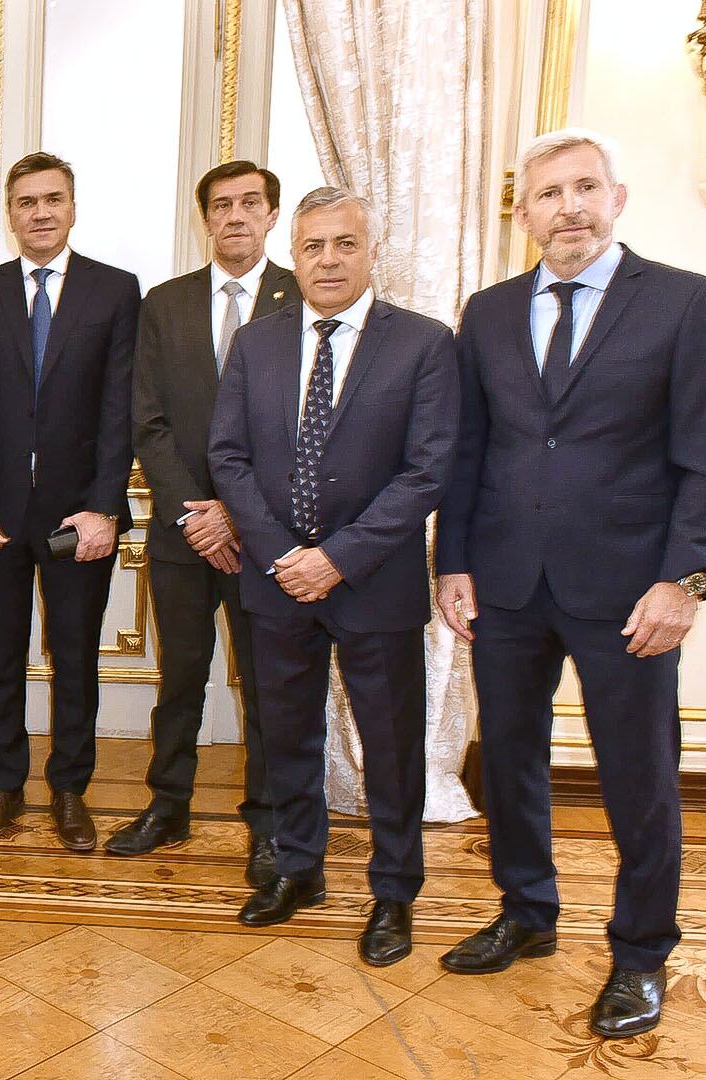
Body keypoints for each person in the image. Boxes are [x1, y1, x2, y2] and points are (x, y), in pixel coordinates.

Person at [434, 128, 706, 1038]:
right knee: (513, 762)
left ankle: (641, 954)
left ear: (616, 198)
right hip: (507, 584)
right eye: (547, 194)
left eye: (584, 189)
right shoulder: (486, 313)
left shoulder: (686, 304)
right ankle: (527, 914)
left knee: (637, 778)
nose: (567, 207)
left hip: (629, 593)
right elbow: (469, 450)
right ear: (521, 212)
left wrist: (686, 580)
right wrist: (452, 561)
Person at [207, 186, 458, 967]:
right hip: (276, 579)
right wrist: (287, 555)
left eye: (344, 244)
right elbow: (229, 457)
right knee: (287, 735)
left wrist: (337, 558)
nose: (328, 260)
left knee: (388, 745)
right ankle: (298, 869)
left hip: (373, 582)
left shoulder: (421, 343)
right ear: (295, 253)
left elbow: (427, 472)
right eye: (313, 246)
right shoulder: (258, 342)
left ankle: (393, 894)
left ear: (370, 249)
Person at [113, 160, 298, 882]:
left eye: (250, 203)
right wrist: (199, 514)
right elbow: (147, 421)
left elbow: (300, 429)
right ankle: (168, 805)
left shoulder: (300, 298)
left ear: (272, 215)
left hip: (270, 538)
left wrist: (240, 516)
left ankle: (271, 823)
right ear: (206, 219)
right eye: (222, 206)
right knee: (181, 676)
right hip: (183, 534)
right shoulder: (166, 304)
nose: (236, 217)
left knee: (266, 684)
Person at [0, 152, 138, 852]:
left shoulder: (115, 291)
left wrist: (103, 506)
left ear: (72, 206)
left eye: (53, 199)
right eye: (26, 201)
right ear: (10, 214)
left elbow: (120, 406)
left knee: (75, 657)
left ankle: (70, 791)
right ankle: (5, 786)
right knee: (0, 654)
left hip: (77, 518)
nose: (40, 212)